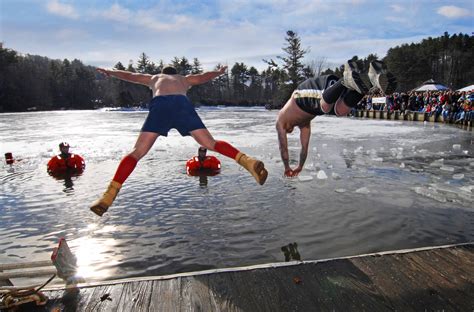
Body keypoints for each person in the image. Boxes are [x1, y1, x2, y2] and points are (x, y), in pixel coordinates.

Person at [91, 65, 268, 216]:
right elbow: (204, 77)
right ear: (176, 74)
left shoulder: (154, 78)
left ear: (163, 73)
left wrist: (110, 71)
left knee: (137, 153)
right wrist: (219, 72)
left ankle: (108, 196)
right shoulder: (184, 79)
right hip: (182, 105)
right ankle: (248, 161)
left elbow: (129, 75)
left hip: (160, 105)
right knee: (211, 144)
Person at [276, 60, 397, 177]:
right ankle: (371, 79)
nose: (289, 132)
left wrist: (286, 167)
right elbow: (304, 148)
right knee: (341, 110)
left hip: (303, 94)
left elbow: (283, 147)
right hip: (323, 96)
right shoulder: (304, 124)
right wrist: (300, 166)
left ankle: (345, 79)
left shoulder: (281, 120)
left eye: (288, 132)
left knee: (324, 106)